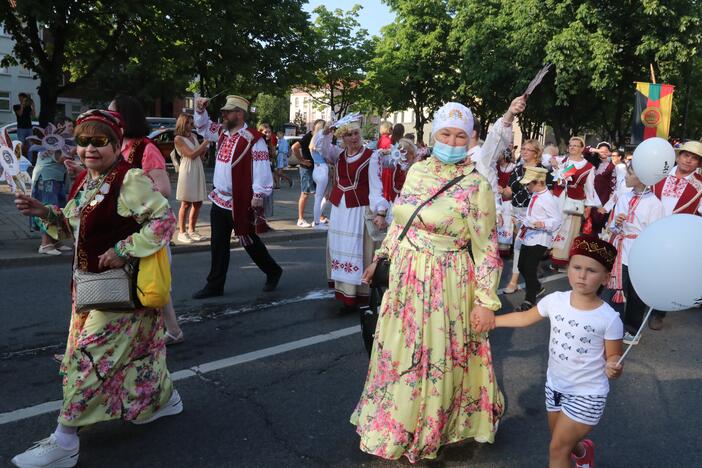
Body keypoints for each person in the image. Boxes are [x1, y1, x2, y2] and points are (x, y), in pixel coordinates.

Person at [351, 97, 525, 462]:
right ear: (433, 133)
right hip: (404, 279)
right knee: (398, 352)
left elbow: (487, 249)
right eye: (445, 133)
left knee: (437, 356)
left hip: (447, 283)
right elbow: (402, 220)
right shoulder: (417, 171)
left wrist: (485, 301)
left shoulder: (477, 185)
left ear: (471, 138)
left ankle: (436, 426)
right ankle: (395, 422)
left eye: (460, 136)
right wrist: (380, 256)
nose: (451, 141)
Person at [12, 109, 182, 468]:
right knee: (143, 354)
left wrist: (123, 250)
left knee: (86, 361)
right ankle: (164, 399)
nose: (89, 148)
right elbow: (74, 226)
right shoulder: (89, 180)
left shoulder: (129, 178)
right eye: (83, 141)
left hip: (120, 294)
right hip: (90, 289)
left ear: (116, 144)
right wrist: (44, 212)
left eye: (99, 141)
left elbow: (164, 220)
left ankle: (65, 440)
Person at [495, 235, 623, 468]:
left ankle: (576, 453)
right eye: (576, 267)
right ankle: (583, 453)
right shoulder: (555, 300)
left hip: (587, 393)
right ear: (569, 267)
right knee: (563, 441)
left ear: (606, 277)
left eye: (591, 270)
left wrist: (613, 366)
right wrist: (493, 322)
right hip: (555, 386)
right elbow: (524, 318)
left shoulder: (610, 318)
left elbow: (613, 356)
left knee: (557, 448)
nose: (582, 276)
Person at [109, 95, 184, 345]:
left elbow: (163, 190)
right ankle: (168, 330)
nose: (108, 119)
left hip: (146, 227)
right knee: (142, 282)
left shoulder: (145, 148)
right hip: (122, 224)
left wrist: (130, 193)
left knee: (153, 282)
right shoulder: (117, 146)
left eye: (113, 114)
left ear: (125, 117)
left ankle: (163, 332)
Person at [191, 95, 282, 298]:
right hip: (219, 198)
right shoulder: (222, 133)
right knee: (218, 243)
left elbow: (261, 168)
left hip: (241, 200)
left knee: (248, 240)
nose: (223, 115)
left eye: (227, 112)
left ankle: (273, 270)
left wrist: (259, 194)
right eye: (223, 112)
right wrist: (199, 110)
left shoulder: (253, 138)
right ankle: (215, 284)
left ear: (239, 114)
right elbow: (203, 127)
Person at [319, 115, 389, 311]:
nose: (353, 138)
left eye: (356, 133)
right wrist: (325, 133)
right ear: (342, 138)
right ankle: (344, 292)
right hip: (340, 210)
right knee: (340, 248)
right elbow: (321, 149)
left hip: (358, 210)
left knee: (357, 250)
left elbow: (376, 187)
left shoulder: (371, 156)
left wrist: (381, 211)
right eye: (348, 135)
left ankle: (360, 294)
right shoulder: (339, 154)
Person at [605, 164, 664, 344]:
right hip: (621, 248)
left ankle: (632, 328)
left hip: (640, 251)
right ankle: (613, 325)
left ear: (642, 177)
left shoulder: (654, 203)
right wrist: (617, 223)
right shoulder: (624, 197)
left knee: (636, 293)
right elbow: (613, 227)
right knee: (616, 289)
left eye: (630, 173)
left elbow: (655, 233)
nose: (626, 177)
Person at [649, 140, 702, 330]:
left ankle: (658, 312)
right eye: (686, 155)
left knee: (666, 274)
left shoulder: (700, 186)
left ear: (699, 164)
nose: (689, 161)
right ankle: (634, 309)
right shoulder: (658, 175)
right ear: (678, 156)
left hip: (677, 237)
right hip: (650, 230)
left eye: (694, 158)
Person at [504, 139, 552, 293]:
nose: (524, 151)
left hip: (533, 214)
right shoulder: (517, 169)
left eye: (528, 149)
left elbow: (546, 195)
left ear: (536, 153)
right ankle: (534, 279)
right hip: (516, 211)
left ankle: (514, 281)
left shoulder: (542, 171)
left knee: (519, 246)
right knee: (523, 247)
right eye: (523, 149)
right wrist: (502, 191)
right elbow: (509, 190)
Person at [516, 166, 562, 310]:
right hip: (529, 235)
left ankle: (529, 300)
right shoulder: (536, 195)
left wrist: (542, 223)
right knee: (521, 266)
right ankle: (537, 287)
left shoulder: (548, 198)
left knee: (529, 268)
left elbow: (557, 220)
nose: (527, 186)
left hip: (540, 237)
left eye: (529, 183)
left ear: (538, 183)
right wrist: (523, 219)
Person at [551, 137, 601, 269]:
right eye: (570, 145)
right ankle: (551, 257)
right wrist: (553, 161)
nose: (572, 147)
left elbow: (589, 188)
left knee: (569, 232)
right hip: (558, 199)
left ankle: (563, 260)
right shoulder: (562, 160)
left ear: (581, 149)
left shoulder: (588, 167)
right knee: (554, 228)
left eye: (575, 145)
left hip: (574, 202)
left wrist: (588, 206)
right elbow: (545, 157)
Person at [28, 126, 71, 256]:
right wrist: (75, 151)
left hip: (55, 179)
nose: (71, 128)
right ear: (60, 126)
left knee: (58, 209)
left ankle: (55, 240)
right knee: (48, 209)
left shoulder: (60, 141)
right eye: (69, 125)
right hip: (47, 180)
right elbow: (61, 158)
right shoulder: (52, 141)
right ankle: (45, 244)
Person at [174, 113, 209, 243]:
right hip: (187, 170)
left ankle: (192, 230)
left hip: (197, 168)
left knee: (198, 202)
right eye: (189, 123)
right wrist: (206, 141)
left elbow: (200, 156)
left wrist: (205, 149)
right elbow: (191, 155)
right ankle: (182, 232)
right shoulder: (178, 139)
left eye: (192, 123)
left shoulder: (193, 136)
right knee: (186, 202)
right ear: (183, 123)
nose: (192, 125)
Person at [293, 120, 322, 227]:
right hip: (306, 168)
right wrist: (301, 160)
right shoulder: (308, 136)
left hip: (314, 168)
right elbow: (294, 147)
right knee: (305, 193)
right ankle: (300, 219)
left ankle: (320, 216)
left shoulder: (318, 137)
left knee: (317, 193)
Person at [587, 142, 616, 235]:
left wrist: (606, 207)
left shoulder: (612, 166)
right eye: (601, 150)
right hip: (589, 198)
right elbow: (584, 150)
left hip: (603, 200)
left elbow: (614, 188)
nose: (603, 152)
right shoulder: (591, 163)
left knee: (598, 227)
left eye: (606, 151)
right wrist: (597, 150)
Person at [309, 120, 330, 229]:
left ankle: (317, 221)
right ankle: (316, 223)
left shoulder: (314, 139)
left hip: (317, 170)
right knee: (320, 198)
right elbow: (325, 132)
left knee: (322, 197)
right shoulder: (320, 137)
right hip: (321, 169)